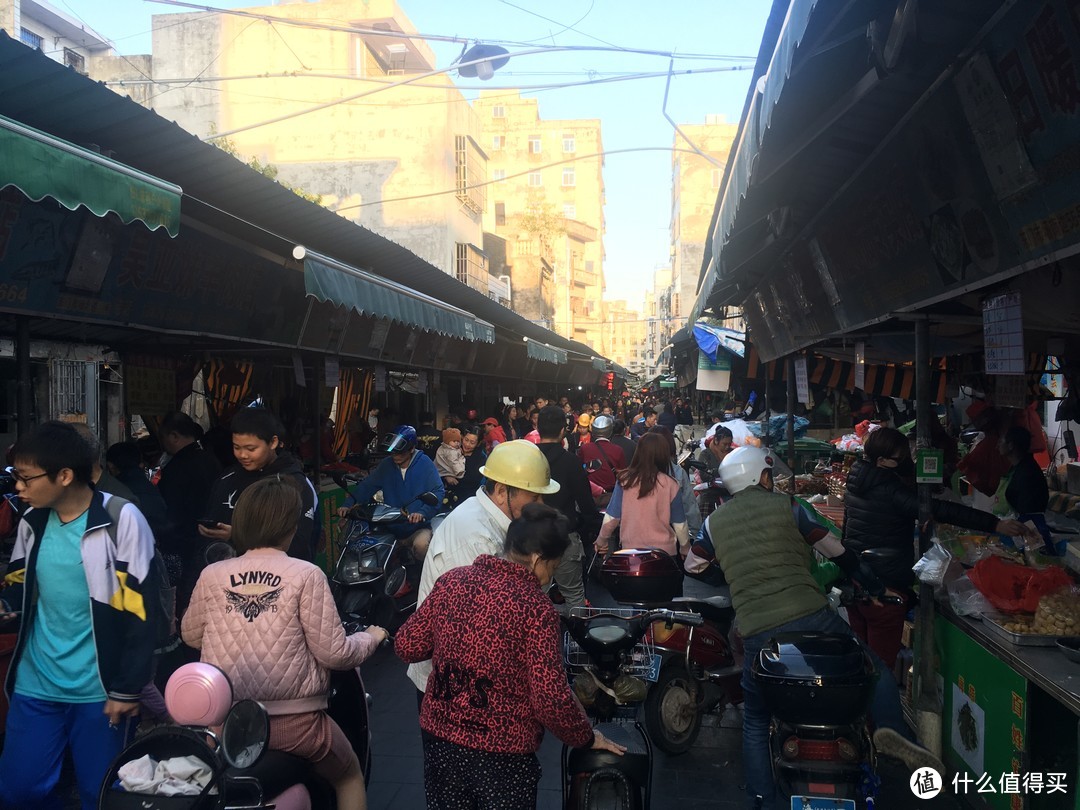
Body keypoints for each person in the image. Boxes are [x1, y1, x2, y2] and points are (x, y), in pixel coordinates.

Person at [695, 445, 942, 809]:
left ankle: (762, 798)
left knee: (755, 718)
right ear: (761, 477)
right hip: (811, 616)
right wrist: (873, 586)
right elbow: (837, 551)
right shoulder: (789, 506)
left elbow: (692, 565)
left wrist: (732, 573)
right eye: (768, 475)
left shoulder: (713, 522)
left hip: (757, 630)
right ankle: (893, 733)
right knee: (874, 672)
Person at [396, 503, 624, 808]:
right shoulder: (535, 608)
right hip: (502, 758)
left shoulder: (452, 582)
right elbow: (550, 698)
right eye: (553, 567)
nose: (549, 577)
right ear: (537, 559)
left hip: (442, 744)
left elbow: (407, 645)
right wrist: (586, 737)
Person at [183, 477, 387, 809]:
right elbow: (334, 653)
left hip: (229, 729)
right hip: (298, 728)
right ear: (289, 527)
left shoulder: (213, 574)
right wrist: (371, 638)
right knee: (349, 773)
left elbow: (191, 635)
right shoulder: (306, 574)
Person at [0, 421, 160, 810]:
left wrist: (128, 687)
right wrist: (7, 605)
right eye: (15, 477)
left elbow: (144, 612)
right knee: (18, 793)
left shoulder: (121, 519)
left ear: (65, 476)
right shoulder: (32, 522)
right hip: (36, 684)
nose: (18, 487)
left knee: (100, 794)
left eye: (25, 478)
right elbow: (18, 587)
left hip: (99, 690)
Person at [844, 427, 1032, 667]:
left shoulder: (857, 483)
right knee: (880, 670)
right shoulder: (890, 490)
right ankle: (881, 703)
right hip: (884, 589)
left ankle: (863, 702)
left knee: (863, 663)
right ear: (881, 460)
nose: (905, 463)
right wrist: (995, 524)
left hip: (856, 583)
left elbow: (848, 533)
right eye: (899, 459)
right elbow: (939, 510)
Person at [406, 440, 560, 698]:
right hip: (455, 690)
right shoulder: (478, 538)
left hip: (467, 683)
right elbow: (484, 628)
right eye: (533, 497)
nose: (540, 504)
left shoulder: (489, 522)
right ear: (501, 491)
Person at [200, 408, 318, 562]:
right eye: (237, 447)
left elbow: (299, 545)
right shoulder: (227, 478)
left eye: (251, 449)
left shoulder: (294, 484)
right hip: (224, 575)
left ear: (273, 442)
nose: (243, 455)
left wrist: (237, 537)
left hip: (272, 579)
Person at [338, 425, 445, 561]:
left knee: (421, 546)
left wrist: (422, 513)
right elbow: (367, 486)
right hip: (390, 528)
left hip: (417, 528)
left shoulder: (425, 464)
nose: (395, 456)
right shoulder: (386, 465)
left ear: (411, 449)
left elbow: (438, 492)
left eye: (400, 453)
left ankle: (422, 581)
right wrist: (348, 504)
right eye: (393, 453)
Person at [535, 406, 601, 611]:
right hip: (565, 537)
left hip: (532, 539)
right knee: (573, 594)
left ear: (538, 428)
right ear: (563, 431)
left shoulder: (528, 460)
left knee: (535, 596)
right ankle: (577, 641)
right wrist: (591, 530)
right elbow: (586, 504)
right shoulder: (571, 462)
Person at [594, 432, 689, 559]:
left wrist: (601, 540)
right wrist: (685, 547)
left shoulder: (625, 481)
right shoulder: (671, 484)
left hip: (630, 552)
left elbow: (612, 517)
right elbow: (679, 523)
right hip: (664, 554)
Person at [996, 426, 1053, 549]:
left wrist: (1029, 545)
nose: (997, 445)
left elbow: (1028, 514)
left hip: (1030, 532)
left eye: (1001, 441)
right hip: (1022, 529)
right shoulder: (1020, 467)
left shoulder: (1027, 473)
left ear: (1011, 445)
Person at [577, 414, 627, 500]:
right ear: (610, 431)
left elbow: (579, 469)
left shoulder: (585, 448)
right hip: (610, 494)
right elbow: (623, 474)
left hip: (590, 493)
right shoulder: (618, 450)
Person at [456, 427, 486, 503]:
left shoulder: (481, 458)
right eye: (466, 440)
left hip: (470, 497)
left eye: (472, 443)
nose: (467, 444)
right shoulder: (453, 450)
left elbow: (474, 479)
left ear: (478, 443)